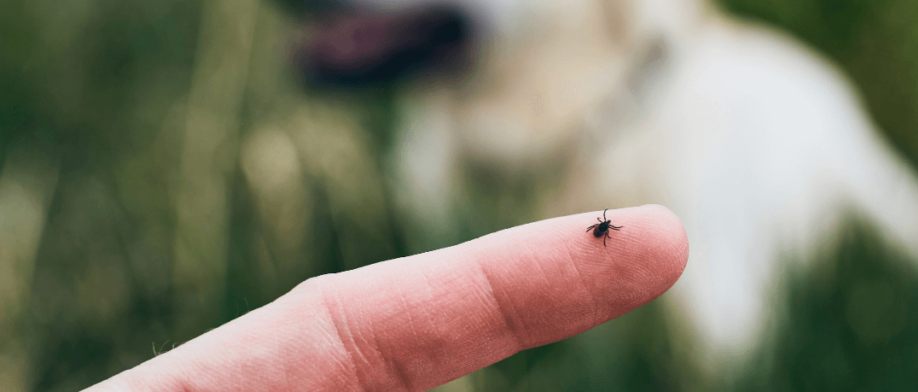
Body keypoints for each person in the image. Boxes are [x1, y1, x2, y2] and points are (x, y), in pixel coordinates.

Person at [85, 205, 687, 392]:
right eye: (604, 227)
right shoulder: (606, 232)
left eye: (603, 228)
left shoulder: (602, 232)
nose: (603, 229)